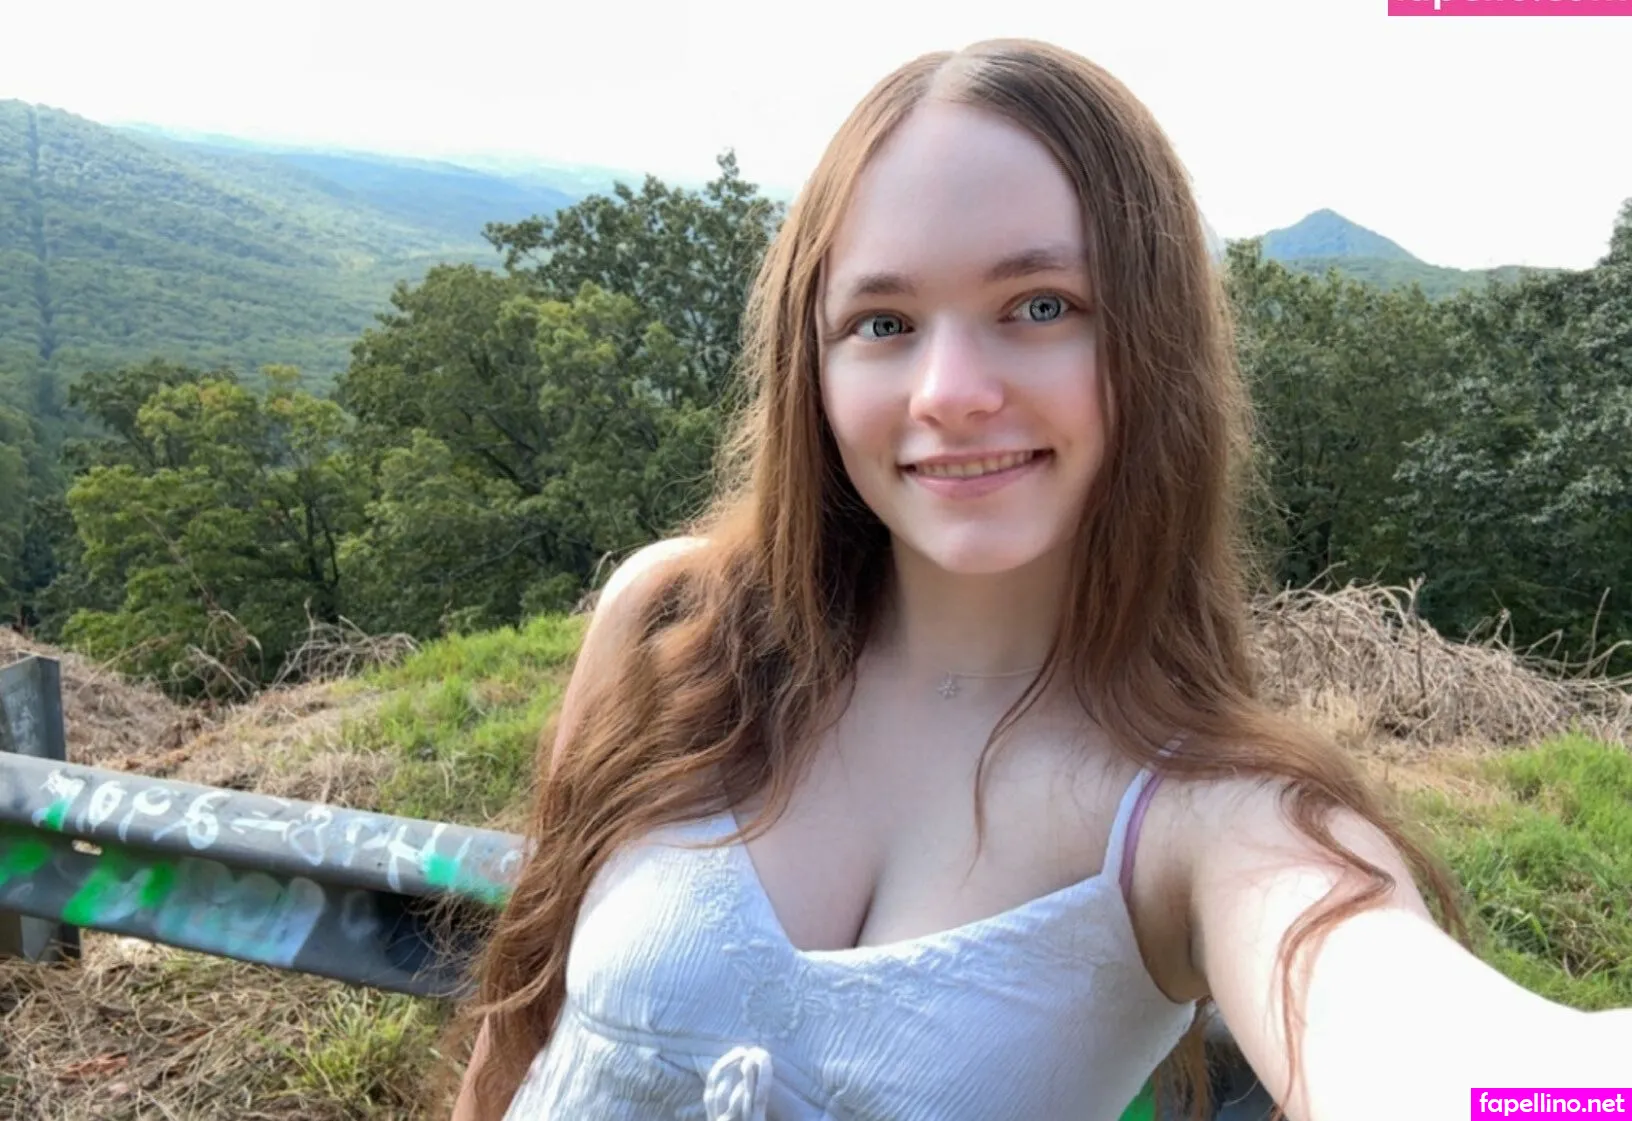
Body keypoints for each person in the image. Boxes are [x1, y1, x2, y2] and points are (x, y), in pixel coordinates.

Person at [451, 37, 1630, 1121]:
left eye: (1041, 306)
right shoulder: (672, 624)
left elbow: (1432, 1045)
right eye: (883, 321)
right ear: (811, 363)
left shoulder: (1202, 821)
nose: (950, 392)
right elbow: (514, 1045)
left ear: (1152, 345)